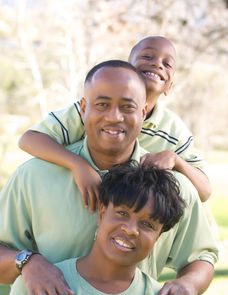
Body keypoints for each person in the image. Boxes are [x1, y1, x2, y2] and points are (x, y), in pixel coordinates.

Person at [0, 60, 218, 295]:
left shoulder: (174, 188)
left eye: (127, 107)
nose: (114, 117)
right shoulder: (33, 177)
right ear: (83, 108)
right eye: (102, 104)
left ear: (144, 111)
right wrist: (28, 263)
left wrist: (189, 285)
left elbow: (202, 256)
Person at [3, 162, 189, 295]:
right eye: (122, 213)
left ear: (158, 237)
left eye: (148, 224)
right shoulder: (36, 285)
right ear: (101, 214)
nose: (131, 229)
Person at [18, 36, 211, 212]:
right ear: (127, 70)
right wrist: (78, 165)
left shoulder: (173, 130)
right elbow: (29, 140)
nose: (157, 64)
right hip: (75, 201)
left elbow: (204, 191)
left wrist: (176, 160)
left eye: (167, 64)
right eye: (147, 56)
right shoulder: (91, 111)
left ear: (170, 86)